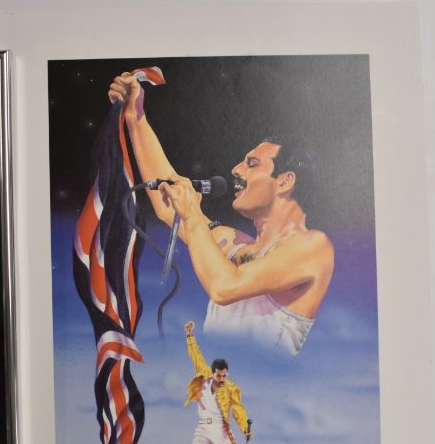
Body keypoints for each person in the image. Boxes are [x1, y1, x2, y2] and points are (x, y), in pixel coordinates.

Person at [108, 72, 334, 354]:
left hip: (260, 384)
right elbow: (169, 208)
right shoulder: (236, 244)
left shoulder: (313, 246)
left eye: (252, 164)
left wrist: (192, 214)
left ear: (285, 181)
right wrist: (135, 117)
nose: (236, 170)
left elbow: (225, 287)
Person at [169, 321, 255, 444]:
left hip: (220, 427)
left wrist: (245, 428)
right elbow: (196, 355)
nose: (222, 379)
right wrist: (189, 335)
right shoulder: (204, 374)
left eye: (224, 375)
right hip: (202, 427)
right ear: (213, 372)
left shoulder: (231, 388)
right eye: (219, 375)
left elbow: (238, 409)